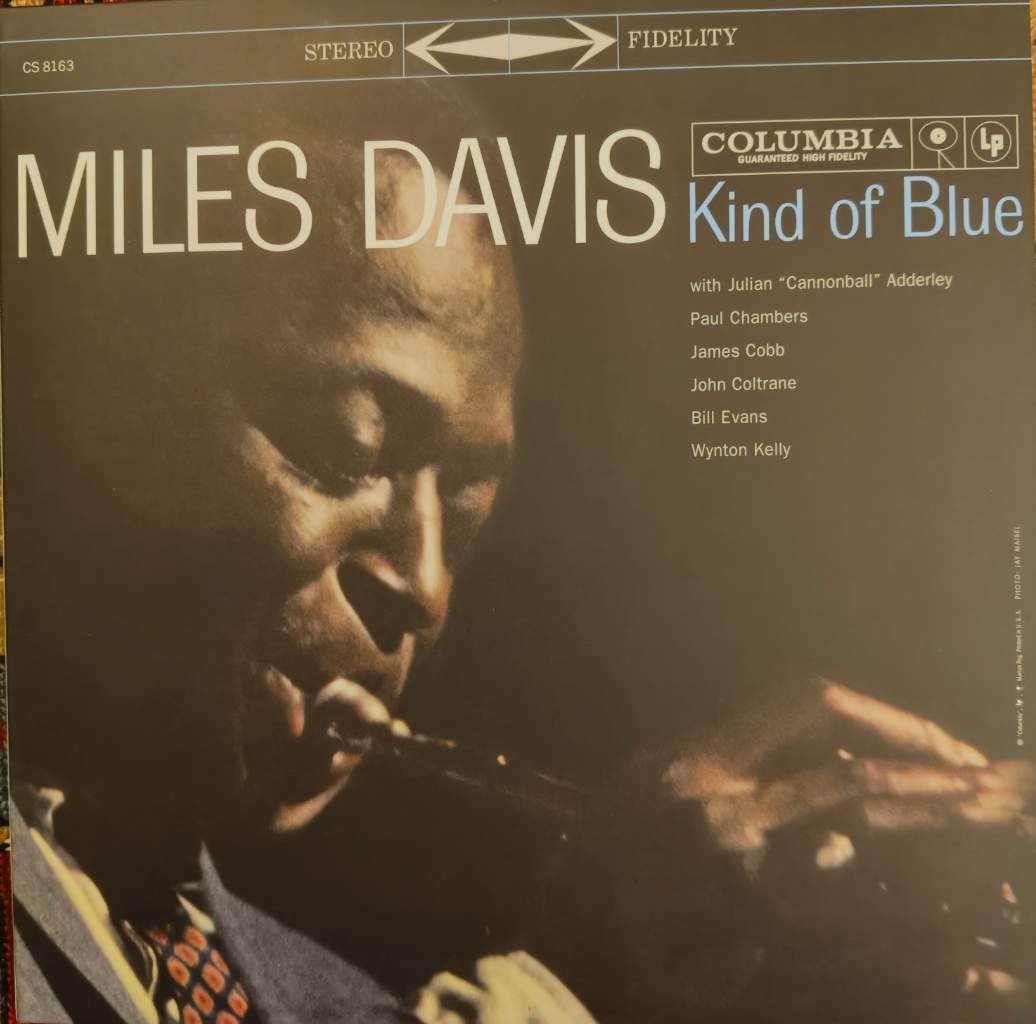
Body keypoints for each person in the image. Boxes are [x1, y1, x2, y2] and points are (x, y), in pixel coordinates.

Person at [5, 89, 1033, 1024]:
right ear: (77, 396)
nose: (427, 589)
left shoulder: (338, 1006)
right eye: (351, 444)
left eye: (463, 519)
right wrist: (570, 990)